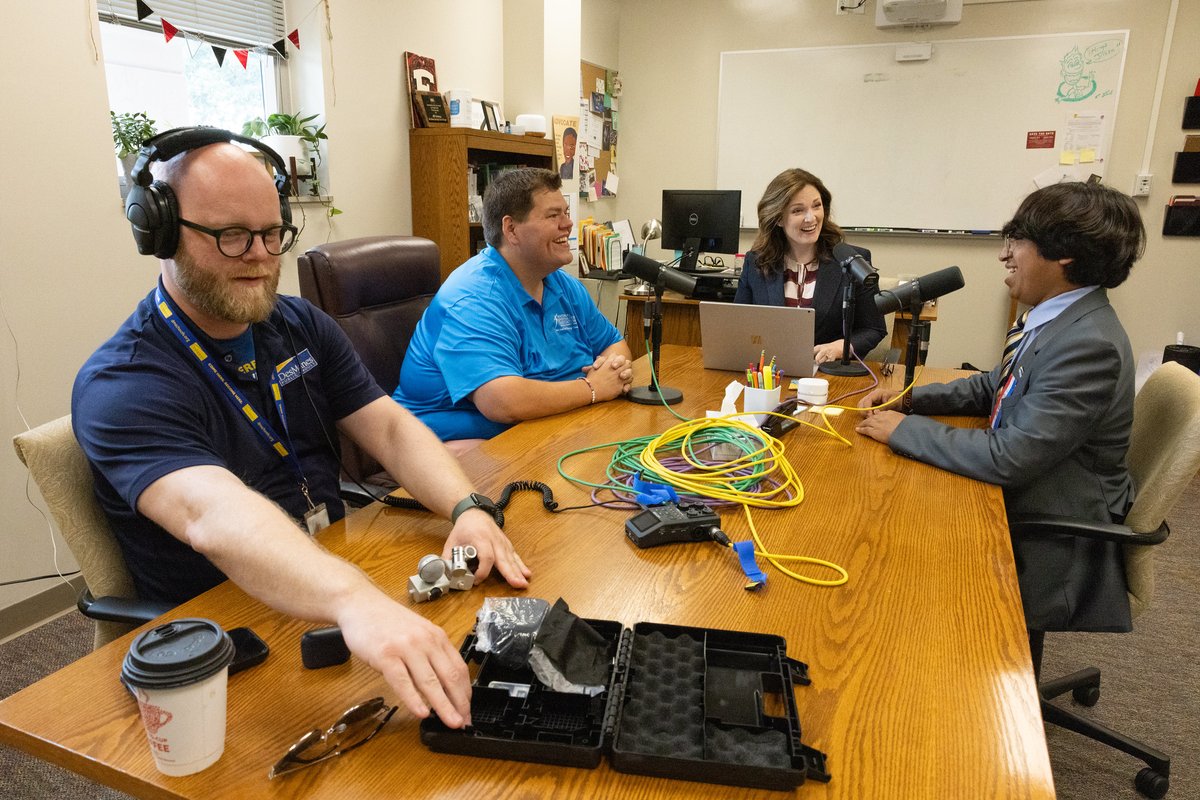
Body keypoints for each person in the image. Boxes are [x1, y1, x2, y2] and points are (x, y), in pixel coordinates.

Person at [73, 131, 531, 729]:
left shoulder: (297, 324)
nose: (261, 256)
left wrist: (466, 508)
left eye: (272, 234)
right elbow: (214, 515)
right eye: (231, 236)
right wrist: (353, 598)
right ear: (158, 233)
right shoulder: (125, 383)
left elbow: (390, 429)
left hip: (330, 576)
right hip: (226, 642)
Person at [856, 181, 1146, 639]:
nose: (1003, 255)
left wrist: (902, 431)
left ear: (1065, 254)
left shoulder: (1090, 344)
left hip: (1051, 533)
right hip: (1032, 490)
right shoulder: (1059, 316)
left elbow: (1009, 456)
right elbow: (998, 385)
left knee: (890, 549)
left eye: (1018, 241)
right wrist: (909, 400)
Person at [394, 168, 632, 446]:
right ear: (511, 229)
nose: (568, 224)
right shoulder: (473, 298)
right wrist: (592, 388)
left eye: (566, 213)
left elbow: (614, 343)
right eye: (553, 216)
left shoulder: (563, 285)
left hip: (551, 428)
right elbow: (501, 401)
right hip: (461, 442)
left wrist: (613, 369)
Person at [734, 168, 887, 365]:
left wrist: (841, 347)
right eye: (798, 210)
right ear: (778, 218)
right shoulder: (756, 262)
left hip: (828, 373)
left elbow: (874, 328)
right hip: (770, 372)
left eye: (816, 206)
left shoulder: (853, 261)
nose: (811, 218)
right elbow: (738, 326)